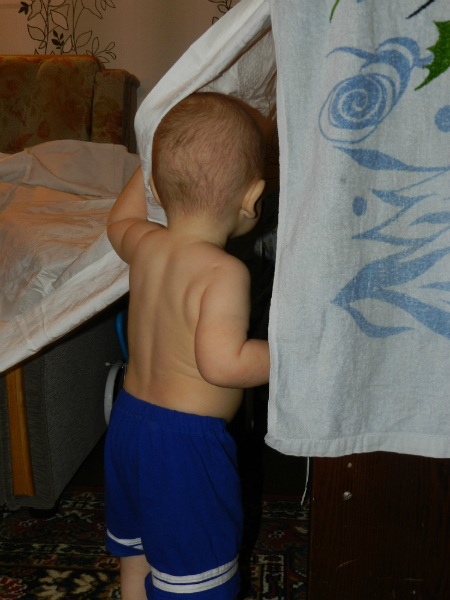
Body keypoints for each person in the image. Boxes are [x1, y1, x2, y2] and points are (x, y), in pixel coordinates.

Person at [105, 92, 270, 600]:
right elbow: (221, 364)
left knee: (137, 557)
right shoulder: (224, 271)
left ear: (156, 187)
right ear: (253, 198)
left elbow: (117, 223)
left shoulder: (146, 245)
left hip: (128, 425)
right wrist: (290, 353)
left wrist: (149, 163)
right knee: (197, 578)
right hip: (184, 447)